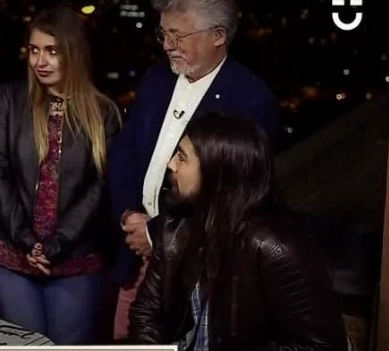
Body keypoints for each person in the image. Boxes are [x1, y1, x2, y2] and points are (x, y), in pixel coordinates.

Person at [107, 0, 280, 339]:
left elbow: (237, 198)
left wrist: (156, 233)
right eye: (163, 33)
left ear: (218, 36)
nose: (167, 45)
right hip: (135, 255)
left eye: (178, 35)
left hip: (197, 273)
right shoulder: (156, 79)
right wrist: (129, 216)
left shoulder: (251, 100)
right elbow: (124, 151)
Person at [128, 112, 347, 350]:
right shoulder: (175, 226)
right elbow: (146, 312)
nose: (171, 164)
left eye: (182, 157)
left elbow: (321, 346)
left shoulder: (276, 247)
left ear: (217, 170)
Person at [0, 6, 121, 344]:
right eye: (34, 50)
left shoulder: (103, 112)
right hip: (13, 251)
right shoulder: (11, 99)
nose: (40, 61)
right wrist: (26, 240)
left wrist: (57, 244)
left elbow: (100, 186)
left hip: (76, 257)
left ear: (74, 53)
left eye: (52, 51)